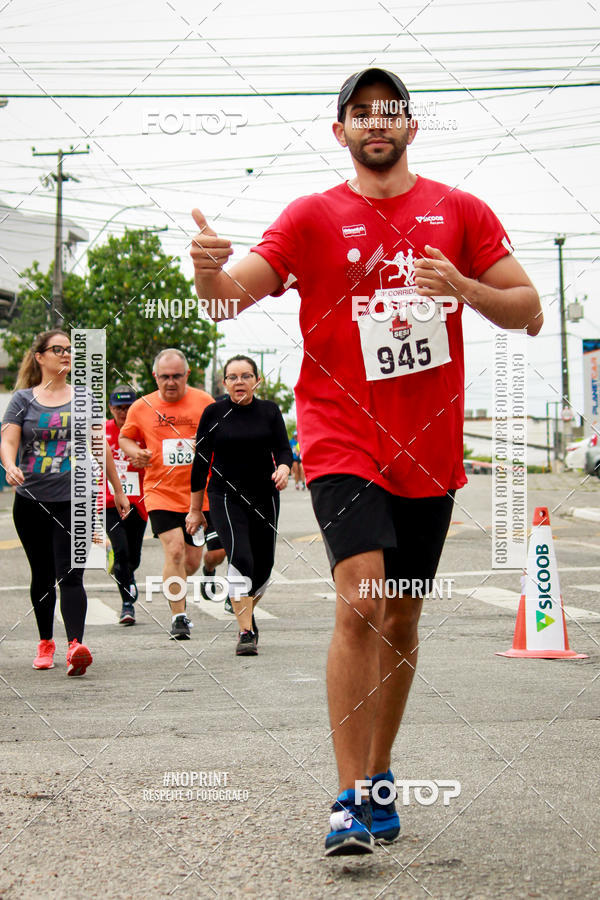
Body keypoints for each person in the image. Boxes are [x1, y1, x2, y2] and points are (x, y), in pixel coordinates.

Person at [189, 67, 542, 854]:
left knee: (403, 614)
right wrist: (207, 268)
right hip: (342, 435)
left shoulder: (460, 211)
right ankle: (348, 799)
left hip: (431, 446)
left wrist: (462, 286)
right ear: (340, 130)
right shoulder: (312, 216)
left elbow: (530, 311)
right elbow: (225, 300)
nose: (374, 122)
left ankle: (381, 776)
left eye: (390, 111)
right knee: (362, 601)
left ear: (411, 127)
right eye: (359, 112)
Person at [0, 330, 130, 676]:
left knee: (70, 574)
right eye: (58, 350)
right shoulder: (22, 400)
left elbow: (99, 448)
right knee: (42, 576)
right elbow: (8, 439)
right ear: (40, 357)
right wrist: (10, 465)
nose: (66, 355)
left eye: (70, 350)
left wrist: (117, 490)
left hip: (75, 500)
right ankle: (46, 642)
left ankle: (76, 646)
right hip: (31, 501)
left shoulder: (84, 397)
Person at [188, 355, 292, 656]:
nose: (239, 382)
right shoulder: (213, 413)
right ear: (224, 383)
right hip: (225, 496)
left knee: (263, 568)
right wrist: (195, 510)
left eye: (246, 376)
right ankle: (245, 631)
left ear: (257, 380)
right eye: (232, 377)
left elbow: (284, 450)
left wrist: (284, 468)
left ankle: (242, 605)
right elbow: (200, 464)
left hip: (265, 496)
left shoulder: (270, 411)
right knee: (241, 559)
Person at [118, 348, 225, 640]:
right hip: (160, 491)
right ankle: (179, 617)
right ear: (155, 376)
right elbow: (124, 436)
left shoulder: (204, 403)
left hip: (199, 493)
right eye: (164, 377)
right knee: (174, 550)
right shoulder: (142, 407)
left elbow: (223, 437)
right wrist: (134, 452)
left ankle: (205, 569)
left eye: (177, 376)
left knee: (191, 562)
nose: (171, 382)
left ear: (187, 375)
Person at [104, 385, 148, 626]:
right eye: (118, 408)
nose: (123, 412)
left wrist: (142, 459)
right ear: (111, 408)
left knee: (133, 558)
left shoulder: (141, 432)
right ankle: (127, 604)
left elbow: (154, 460)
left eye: (128, 407)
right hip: (110, 501)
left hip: (138, 502)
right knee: (121, 551)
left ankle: (125, 572)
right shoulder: (102, 431)